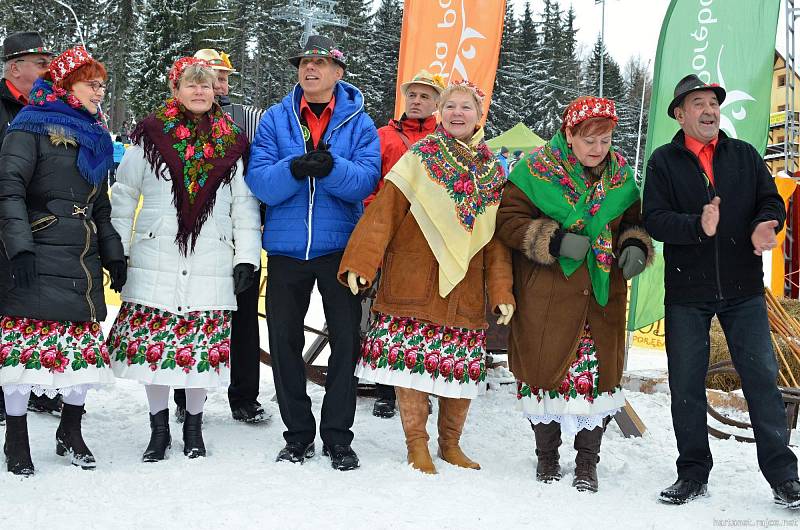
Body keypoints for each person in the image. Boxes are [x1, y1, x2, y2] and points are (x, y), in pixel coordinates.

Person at [340, 80, 515, 475]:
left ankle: (450, 444)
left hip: (466, 288)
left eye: (465, 107)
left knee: (461, 369)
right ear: (440, 111)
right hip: (413, 280)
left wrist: (502, 289)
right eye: (450, 106)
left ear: (479, 115)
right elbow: (384, 211)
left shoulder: (492, 171)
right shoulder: (419, 157)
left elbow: (497, 242)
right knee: (411, 367)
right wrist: (362, 262)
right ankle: (416, 445)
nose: (457, 113)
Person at [643, 74, 800, 508]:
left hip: (743, 289)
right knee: (687, 385)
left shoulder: (745, 155)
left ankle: (784, 477)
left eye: (713, 102)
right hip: (687, 294)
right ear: (680, 114)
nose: (709, 110)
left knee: (762, 382)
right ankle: (692, 473)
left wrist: (766, 223)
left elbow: (772, 201)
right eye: (698, 103)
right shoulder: (663, 161)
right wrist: (697, 226)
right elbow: (653, 218)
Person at [496, 96, 653, 492]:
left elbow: (633, 223)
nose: (599, 149)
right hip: (548, 294)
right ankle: (547, 457)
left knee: (597, 381)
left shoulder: (623, 179)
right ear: (569, 134)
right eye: (589, 140)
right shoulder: (534, 172)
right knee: (544, 376)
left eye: (605, 140)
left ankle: (587, 463)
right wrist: (553, 239)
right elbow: (508, 222)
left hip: (601, 298)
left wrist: (635, 245)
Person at [107, 57, 261, 461]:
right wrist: (117, 251)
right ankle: (159, 430)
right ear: (176, 91)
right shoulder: (150, 135)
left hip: (211, 258)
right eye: (191, 85)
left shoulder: (232, 143)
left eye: (206, 85)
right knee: (154, 352)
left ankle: (194, 428)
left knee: (201, 352)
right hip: (156, 254)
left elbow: (244, 206)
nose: (199, 92)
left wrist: (246, 257)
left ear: (215, 92)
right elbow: (124, 195)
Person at [246, 35, 380, 471]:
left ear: (338, 73)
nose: (310, 69)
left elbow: (365, 181)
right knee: (284, 341)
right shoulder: (275, 119)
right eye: (305, 62)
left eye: (321, 63)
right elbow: (260, 181)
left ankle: (338, 437)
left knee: (347, 340)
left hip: (340, 248)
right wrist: (294, 168)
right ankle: (298, 435)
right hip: (285, 249)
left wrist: (333, 169)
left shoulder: (360, 122)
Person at [0, 46, 125, 475]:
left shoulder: (95, 135)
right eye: (93, 84)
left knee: (81, 356)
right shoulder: (28, 127)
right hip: (35, 255)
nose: (99, 92)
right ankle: (15, 437)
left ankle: (69, 431)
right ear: (67, 84)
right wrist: (18, 245)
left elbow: (100, 205)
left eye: (103, 86)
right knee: (22, 358)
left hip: (80, 260)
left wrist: (113, 252)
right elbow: (9, 190)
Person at [171, 48, 267, 425]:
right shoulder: (175, 120)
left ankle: (244, 397)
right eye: (212, 77)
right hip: (193, 234)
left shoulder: (247, 118)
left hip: (239, 230)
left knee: (243, 318)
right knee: (188, 313)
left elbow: (258, 174)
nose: (220, 84)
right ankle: (182, 393)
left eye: (225, 77)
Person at [367, 69, 444, 419]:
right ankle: (387, 389)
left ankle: (425, 385)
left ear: (437, 104)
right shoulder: (382, 135)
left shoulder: (446, 140)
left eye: (425, 96)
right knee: (388, 314)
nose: (417, 101)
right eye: (412, 95)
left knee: (427, 314)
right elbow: (370, 185)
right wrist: (376, 223)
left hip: (431, 241)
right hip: (391, 238)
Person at [0, 31, 63, 422]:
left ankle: (35, 385)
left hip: (37, 224)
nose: (49, 70)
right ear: (14, 67)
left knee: (30, 308)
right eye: (41, 63)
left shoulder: (50, 107)